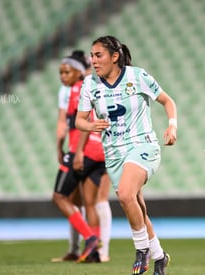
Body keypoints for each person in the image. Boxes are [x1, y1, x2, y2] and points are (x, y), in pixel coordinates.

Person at [76, 35, 177, 275]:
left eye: (98, 55)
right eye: (91, 56)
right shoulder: (90, 85)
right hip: (113, 154)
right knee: (137, 206)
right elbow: (79, 120)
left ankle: (141, 250)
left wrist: (172, 125)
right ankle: (160, 257)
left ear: (114, 56)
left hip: (142, 145)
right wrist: (90, 126)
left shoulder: (137, 76)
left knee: (126, 195)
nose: (93, 60)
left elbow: (167, 100)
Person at [52, 50, 111, 263]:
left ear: (78, 72)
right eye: (60, 72)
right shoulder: (90, 87)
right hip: (99, 152)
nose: (62, 76)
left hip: (83, 150)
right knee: (89, 203)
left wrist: (75, 152)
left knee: (59, 196)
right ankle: (94, 254)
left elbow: (83, 124)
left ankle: (90, 238)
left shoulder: (78, 90)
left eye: (66, 72)